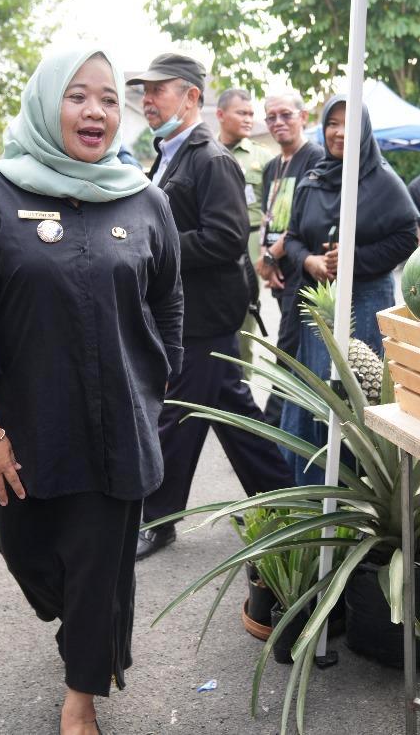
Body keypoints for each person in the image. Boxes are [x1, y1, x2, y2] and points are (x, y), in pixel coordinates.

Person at [0, 45, 182, 735]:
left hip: (119, 424)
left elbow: (169, 299)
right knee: (28, 554)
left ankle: (82, 692)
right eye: (79, 94)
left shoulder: (144, 198)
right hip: (26, 423)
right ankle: (80, 623)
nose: (97, 109)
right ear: (48, 102)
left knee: (99, 565)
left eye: (108, 97)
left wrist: (156, 381)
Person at [130, 53, 293, 561]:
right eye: (145, 91)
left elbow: (224, 239)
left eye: (158, 90)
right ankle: (286, 501)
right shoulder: (168, 154)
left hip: (204, 316)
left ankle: (160, 519)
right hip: (188, 315)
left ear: (192, 98)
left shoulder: (210, 158)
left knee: (178, 415)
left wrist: (152, 247)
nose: (148, 100)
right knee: (232, 414)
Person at [279, 95, 418, 485]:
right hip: (317, 303)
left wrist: (353, 257)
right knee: (315, 393)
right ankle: (310, 493)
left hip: (365, 301)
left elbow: (407, 236)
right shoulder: (312, 178)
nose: (340, 132)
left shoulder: (382, 180)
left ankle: (356, 492)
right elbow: (291, 238)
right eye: (333, 123)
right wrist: (310, 261)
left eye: (350, 123)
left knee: (357, 395)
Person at [255, 91, 325, 428]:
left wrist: (271, 256)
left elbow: (301, 222)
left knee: (288, 352)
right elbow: (269, 218)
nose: (278, 123)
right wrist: (265, 262)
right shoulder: (273, 166)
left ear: (304, 117)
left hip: (301, 271)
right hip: (278, 273)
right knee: (292, 351)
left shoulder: (316, 159)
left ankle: (271, 431)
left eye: (285, 114)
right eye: (271, 117)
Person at [216, 88, 272, 379]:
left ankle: (241, 380)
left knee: (245, 315)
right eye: (242, 113)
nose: (249, 119)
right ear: (221, 115)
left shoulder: (263, 158)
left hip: (250, 243)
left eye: (251, 113)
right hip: (214, 243)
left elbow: (274, 210)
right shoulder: (206, 154)